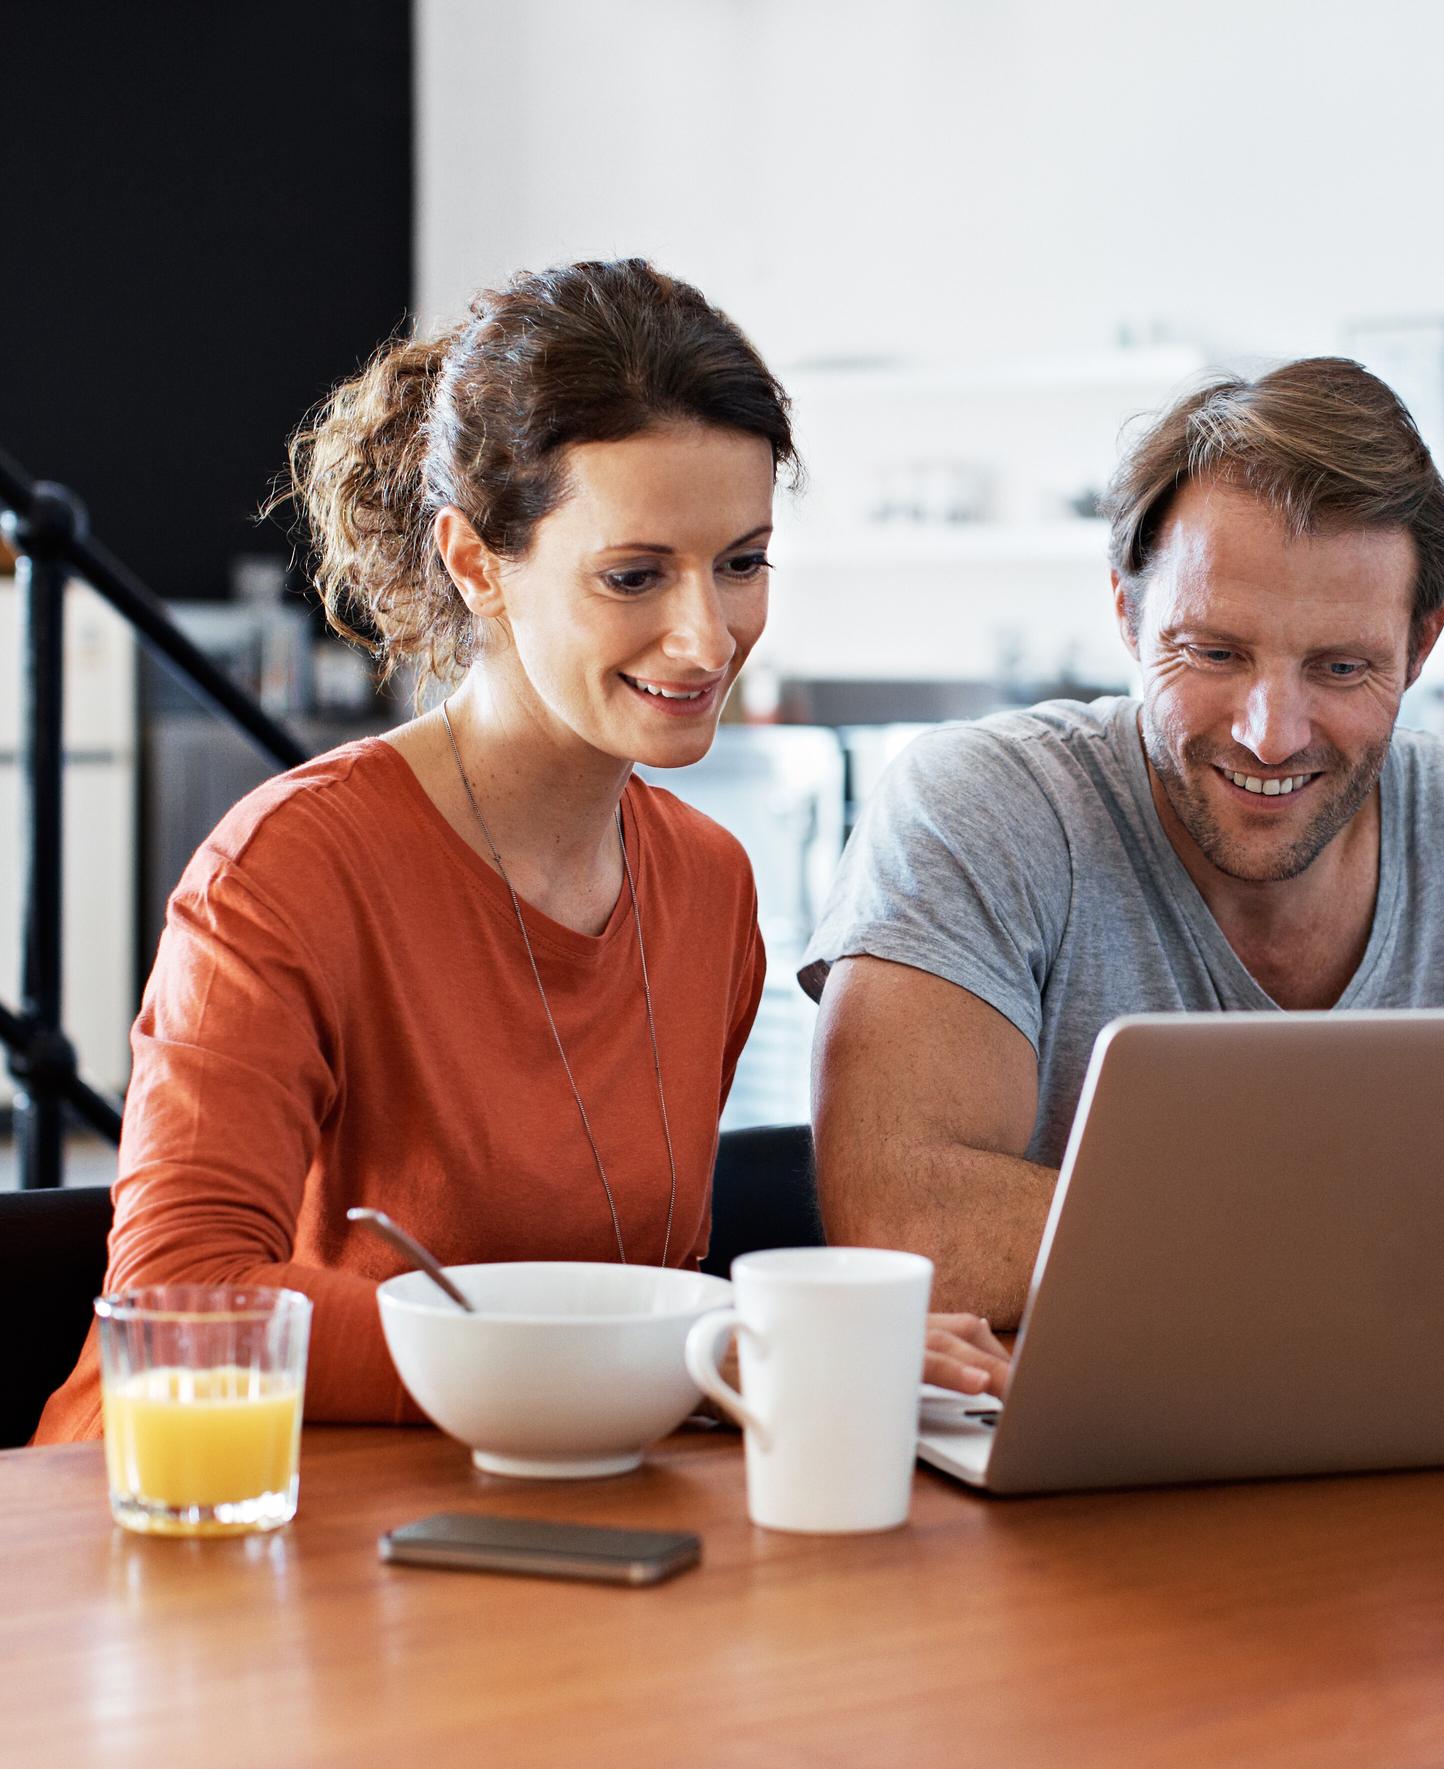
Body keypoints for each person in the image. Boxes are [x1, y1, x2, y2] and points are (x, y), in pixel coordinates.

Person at [37, 257, 1002, 1442]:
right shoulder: (287, 871)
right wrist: (687, 1353)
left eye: (743, 563)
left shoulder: (708, 886)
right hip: (216, 1527)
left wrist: (808, 1347)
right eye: (635, 576)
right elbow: (181, 1303)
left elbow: (637, 1293)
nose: (707, 637)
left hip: (537, 1509)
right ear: (474, 563)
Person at [801, 357, 1444, 1348]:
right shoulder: (985, 809)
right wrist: (1408, 1236)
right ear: (1127, 615)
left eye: (1341, 669)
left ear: (1421, 647)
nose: (1271, 733)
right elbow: (911, 1233)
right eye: (1214, 654)